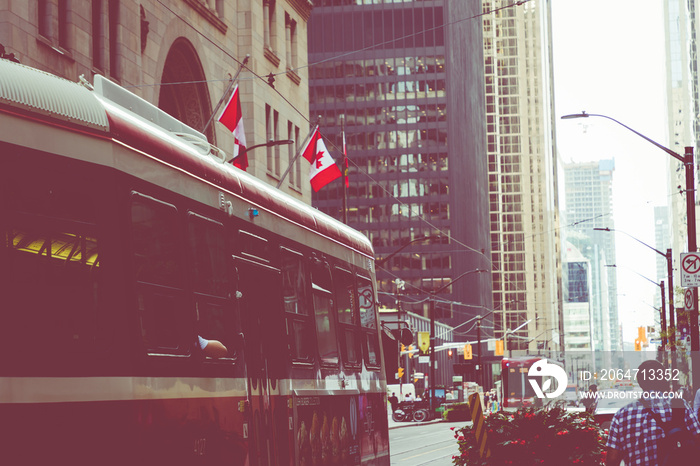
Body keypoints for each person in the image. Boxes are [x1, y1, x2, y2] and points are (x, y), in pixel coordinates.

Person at [606, 360, 700, 466]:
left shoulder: (621, 415)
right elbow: (698, 438)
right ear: (663, 379)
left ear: (640, 382)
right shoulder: (679, 404)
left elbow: (612, 460)